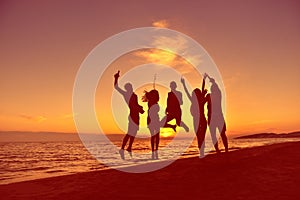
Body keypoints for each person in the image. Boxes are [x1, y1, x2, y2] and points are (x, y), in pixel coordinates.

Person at [114, 70, 144, 159]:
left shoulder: (134, 95)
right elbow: (116, 87)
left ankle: (129, 147)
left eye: (130, 86)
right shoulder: (126, 94)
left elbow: (136, 105)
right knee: (129, 133)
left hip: (137, 115)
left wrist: (140, 108)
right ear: (127, 88)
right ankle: (122, 148)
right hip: (132, 115)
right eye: (129, 87)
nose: (130, 88)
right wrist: (116, 78)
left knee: (134, 133)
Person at [142, 89, 176, 160]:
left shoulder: (151, 102)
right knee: (156, 136)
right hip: (153, 119)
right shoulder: (152, 102)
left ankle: (154, 153)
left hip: (151, 119)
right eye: (157, 95)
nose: (158, 96)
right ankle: (155, 152)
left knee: (154, 136)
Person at [181, 77, 209, 157]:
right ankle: (201, 152)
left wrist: (204, 80)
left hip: (201, 120)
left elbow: (202, 88)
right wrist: (183, 84)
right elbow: (187, 92)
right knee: (199, 137)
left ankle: (202, 153)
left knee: (201, 137)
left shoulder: (200, 101)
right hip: (197, 121)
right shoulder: (196, 101)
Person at [205, 74, 228, 153]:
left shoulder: (218, 95)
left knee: (221, 134)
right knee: (215, 134)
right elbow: (201, 102)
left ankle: (225, 149)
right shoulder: (210, 96)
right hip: (212, 118)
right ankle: (219, 149)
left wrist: (207, 78)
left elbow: (214, 83)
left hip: (217, 117)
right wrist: (206, 80)